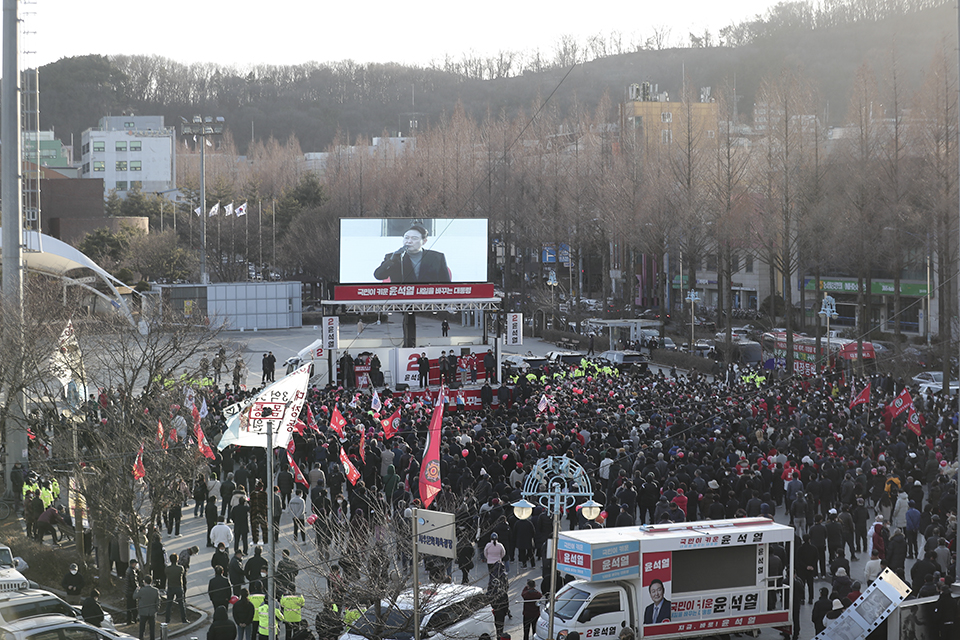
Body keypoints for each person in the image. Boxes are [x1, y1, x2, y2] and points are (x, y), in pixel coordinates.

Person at [373, 223, 450, 283]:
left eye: (414, 238)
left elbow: (446, 283)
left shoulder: (437, 257)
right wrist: (392, 261)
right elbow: (378, 275)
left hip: (429, 300)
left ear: (424, 241)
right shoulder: (392, 257)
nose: (409, 241)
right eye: (406, 238)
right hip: (402, 300)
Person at [134, 575, 162, 640]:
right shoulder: (155, 590)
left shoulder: (142, 590)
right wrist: (156, 609)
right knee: (152, 629)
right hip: (152, 612)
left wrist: (136, 590)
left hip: (143, 612)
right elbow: (158, 601)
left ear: (144, 582)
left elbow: (134, 596)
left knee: (142, 629)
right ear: (151, 581)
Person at [164, 554, 188, 624]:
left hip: (170, 587)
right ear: (177, 560)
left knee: (169, 605)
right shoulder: (180, 568)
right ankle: (184, 619)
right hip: (178, 587)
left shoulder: (167, 569)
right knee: (181, 604)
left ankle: (167, 620)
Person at [124, 559, 144, 624]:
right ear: (133, 564)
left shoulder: (128, 570)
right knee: (134, 606)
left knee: (129, 607)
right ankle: (135, 619)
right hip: (131, 592)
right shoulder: (132, 571)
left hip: (128, 591)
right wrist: (138, 588)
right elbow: (133, 582)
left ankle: (129, 620)